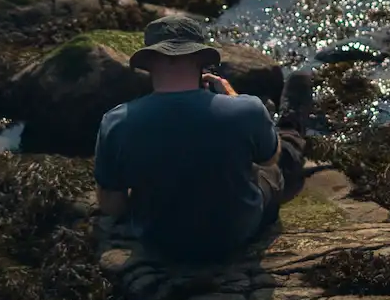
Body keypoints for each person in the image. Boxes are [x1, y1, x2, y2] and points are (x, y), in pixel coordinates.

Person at [94, 15, 312, 264]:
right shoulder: (245, 109)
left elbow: (111, 204)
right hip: (236, 233)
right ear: (201, 61)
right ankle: (291, 121)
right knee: (280, 157)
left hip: (160, 240)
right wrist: (233, 99)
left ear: (150, 63)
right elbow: (269, 158)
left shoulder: (116, 121)